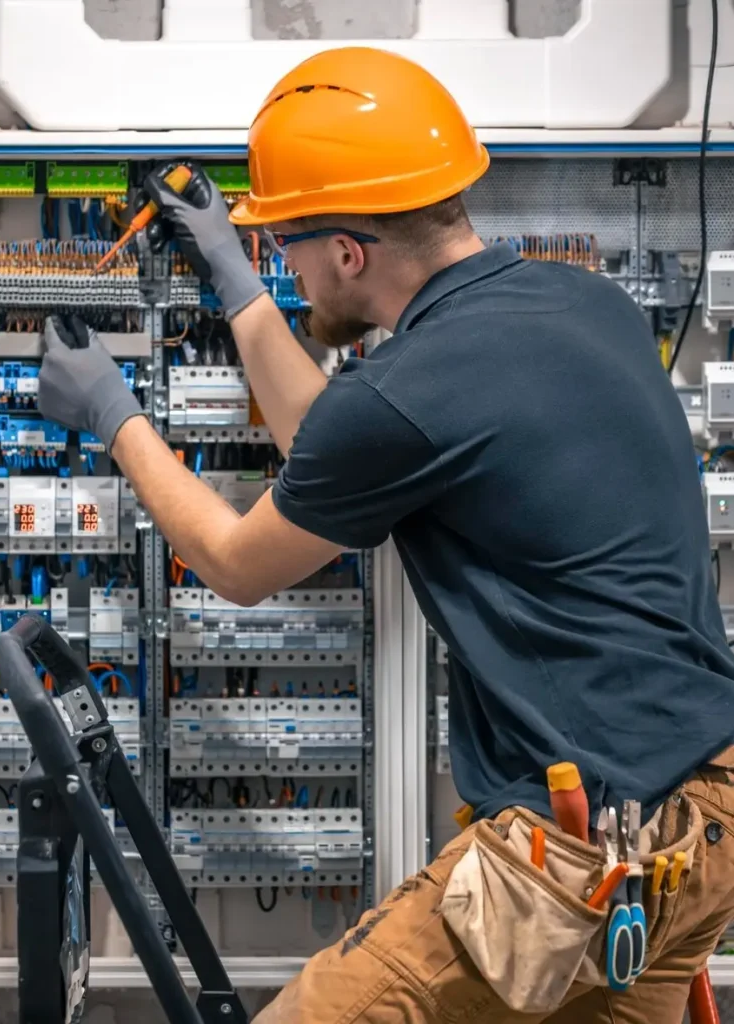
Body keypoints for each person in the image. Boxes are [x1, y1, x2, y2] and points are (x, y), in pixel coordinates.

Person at [39, 46, 734, 1024]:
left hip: (590, 839)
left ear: (349, 254)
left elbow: (238, 562)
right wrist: (236, 281)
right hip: (710, 813)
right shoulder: (584, 305)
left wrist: (115, 414)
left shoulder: (406, 390)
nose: (283, 258)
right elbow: (344, 441)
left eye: (286, 243)